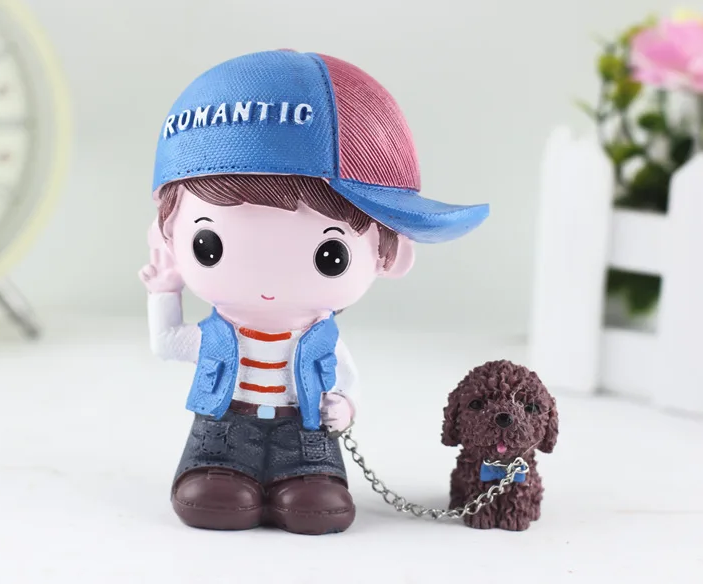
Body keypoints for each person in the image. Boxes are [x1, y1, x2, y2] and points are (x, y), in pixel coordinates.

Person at [139, 50, 488, 535]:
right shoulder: (219, 336)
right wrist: (164, 290)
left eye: (331, 255)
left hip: (304, 433)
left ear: (390, 255)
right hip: (222, 429)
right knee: (213, 493)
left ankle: (305, 481)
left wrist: (346, 407)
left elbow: (347, 379)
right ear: (168, 240)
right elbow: (167, 343)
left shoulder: (321, 339)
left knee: (314, 500)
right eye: (208, 245)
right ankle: (220, 475)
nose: (268, 282)